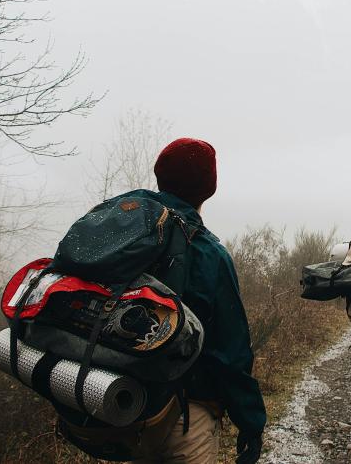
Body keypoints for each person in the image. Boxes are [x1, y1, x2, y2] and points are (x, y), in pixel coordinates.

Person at [132, 138, 266, 464]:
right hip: (187, 416)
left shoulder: (131, 241)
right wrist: (250, 424)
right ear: (209, 187)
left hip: (130, 409)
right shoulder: (208, 253)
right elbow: (231, 353)